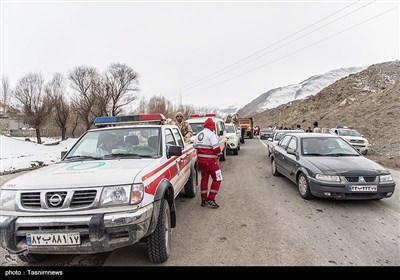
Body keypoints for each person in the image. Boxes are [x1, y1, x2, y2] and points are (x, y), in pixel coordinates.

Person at [193, 118, 222, 209]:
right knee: (218, 178)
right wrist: (219, 153)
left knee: (204, 179)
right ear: (212, 126)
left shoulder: (199, 134)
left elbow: (194, 146)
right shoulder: (211, 134)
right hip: (211, 162)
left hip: (201, 162)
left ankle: (204, 200)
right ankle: (211, 199)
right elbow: (216, 148)